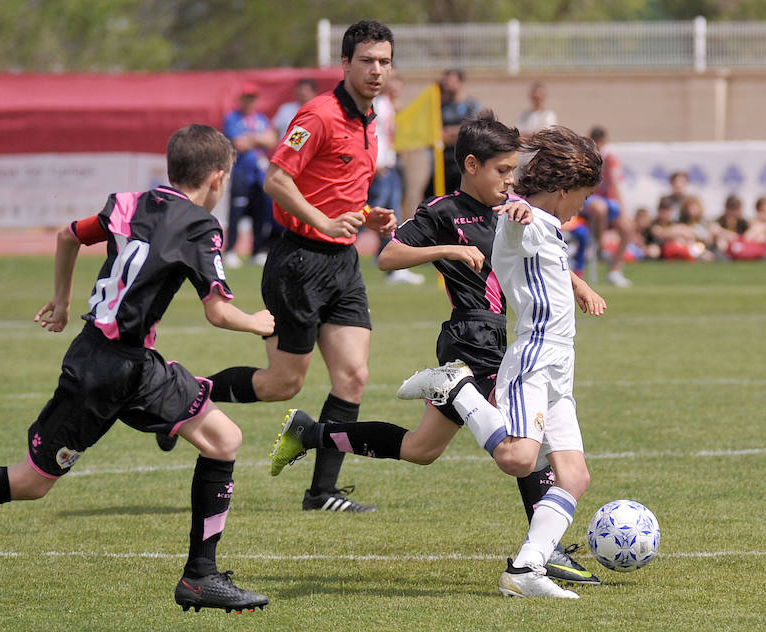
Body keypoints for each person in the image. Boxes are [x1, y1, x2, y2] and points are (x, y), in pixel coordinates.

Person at [0, 124, 273, 614]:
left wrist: (61, 302)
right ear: (217, 176)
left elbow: (68, 235)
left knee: (223, 440)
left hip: (130, 364)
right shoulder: (202, 226)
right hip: (103, 372)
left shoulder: (126, 202)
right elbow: (218, 312)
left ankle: (200, 576)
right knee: (32, 483)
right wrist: (258, 322)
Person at [269, 116, 607, 591]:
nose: (511, 181)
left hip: (499, 337)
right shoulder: (447, 210)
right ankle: (545, 555)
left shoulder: (508, 207)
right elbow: (388, 257)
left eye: (514, 171)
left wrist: (579, 284)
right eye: (503, 171)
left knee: (421, 449)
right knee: (523, 452)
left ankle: (314, 433)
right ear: (472, 165)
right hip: (470, 338)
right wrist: (447, 249)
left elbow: (539, 245)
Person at [174, 20, 397, 514]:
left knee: (353, 378)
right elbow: (277, 180)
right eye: (367, 60)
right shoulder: (317, 115)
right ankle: (180, 397)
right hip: (298, 262)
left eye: (384, 61)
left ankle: (320, 493)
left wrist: (366, 216)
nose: (377, 70)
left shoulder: (372, 116)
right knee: (284, 385)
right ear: (345, 64)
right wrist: (323, 220)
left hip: (342, 264)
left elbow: (336, 192)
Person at [367, 73, 421, 285]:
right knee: (375, 214)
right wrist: (376, 161)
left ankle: (393, 264)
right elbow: (373, 134)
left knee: (390, 215)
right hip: (381, 167)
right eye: (395, 84)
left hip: (389, 165)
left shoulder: (389, 105)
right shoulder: (378, 104)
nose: (397, 88)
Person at [222, 83, 279, 268]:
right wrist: (258, 139)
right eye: (247, 98)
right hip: (240, 173)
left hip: (259, 174)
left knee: (261, 212)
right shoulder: (232, 118)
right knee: (236, 213)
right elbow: (238, 143)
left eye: (253, 98)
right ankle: (231, 250)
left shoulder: (261, 119)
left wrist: (252, 138)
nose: (250, 102)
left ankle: (258, 250)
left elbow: (271, 140)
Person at [581, 126, 634, 287]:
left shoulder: (610, 158)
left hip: (608, 202)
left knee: (627, 227)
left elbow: (616, 183)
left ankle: (615, 270)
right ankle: (601, 246)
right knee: (600, 207)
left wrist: (623, 211)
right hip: (587, 201)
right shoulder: (584, 157)